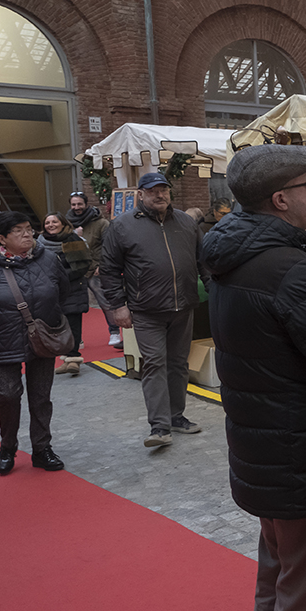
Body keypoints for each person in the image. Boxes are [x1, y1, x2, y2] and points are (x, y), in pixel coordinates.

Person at [202, 144, 306, 611]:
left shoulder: (234, 257)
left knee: (277, 581)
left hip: (262, 450)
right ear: (281, 199)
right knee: (302, 595)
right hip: (300, 457)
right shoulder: (290, 269)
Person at [100, 171, 207, 448]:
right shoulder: (122, 226)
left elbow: (203, 261)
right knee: (155, 363)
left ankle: (176, 416)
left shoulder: (185, 222)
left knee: (178, 364)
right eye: (153, 191)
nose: (159, 195)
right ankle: (159, 426)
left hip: (183, 305)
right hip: (146, 309)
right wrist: (118, 306)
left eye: (164, 190)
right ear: (141, 194)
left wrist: (214, 290)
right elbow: (109, 270)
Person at [0, 211, 68, 474]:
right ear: (2, 239)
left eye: (29, 228)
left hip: (42, 337)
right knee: (7, 395)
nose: (28, 233)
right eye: (19, 230)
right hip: (0, 339)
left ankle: (42, 449)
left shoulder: (48, 259)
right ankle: (8, 446)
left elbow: (62, 290)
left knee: (41, 397)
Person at [38, 212, 93, 375]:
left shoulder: (72, 239)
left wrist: (60, 278)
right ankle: (66, 357)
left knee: (73, 324)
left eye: (55, 221)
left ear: (63, 224)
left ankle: (74, 359)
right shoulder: (39, 243)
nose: (51, 225)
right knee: (58, 326)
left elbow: (82, 266)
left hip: (72, 288)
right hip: (50, 291)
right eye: (47, 222)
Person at [66, 191, 120, 348]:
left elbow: (108, 245)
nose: (77, 207)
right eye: (73, 204)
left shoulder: (101, 223)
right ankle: (77, 338)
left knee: (104, 300)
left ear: (86, 204)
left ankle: (115, 331)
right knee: (74, 305)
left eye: (79, 204)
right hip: (76, 270)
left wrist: (102, 265)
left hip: (95, 269)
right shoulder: (67, 224)